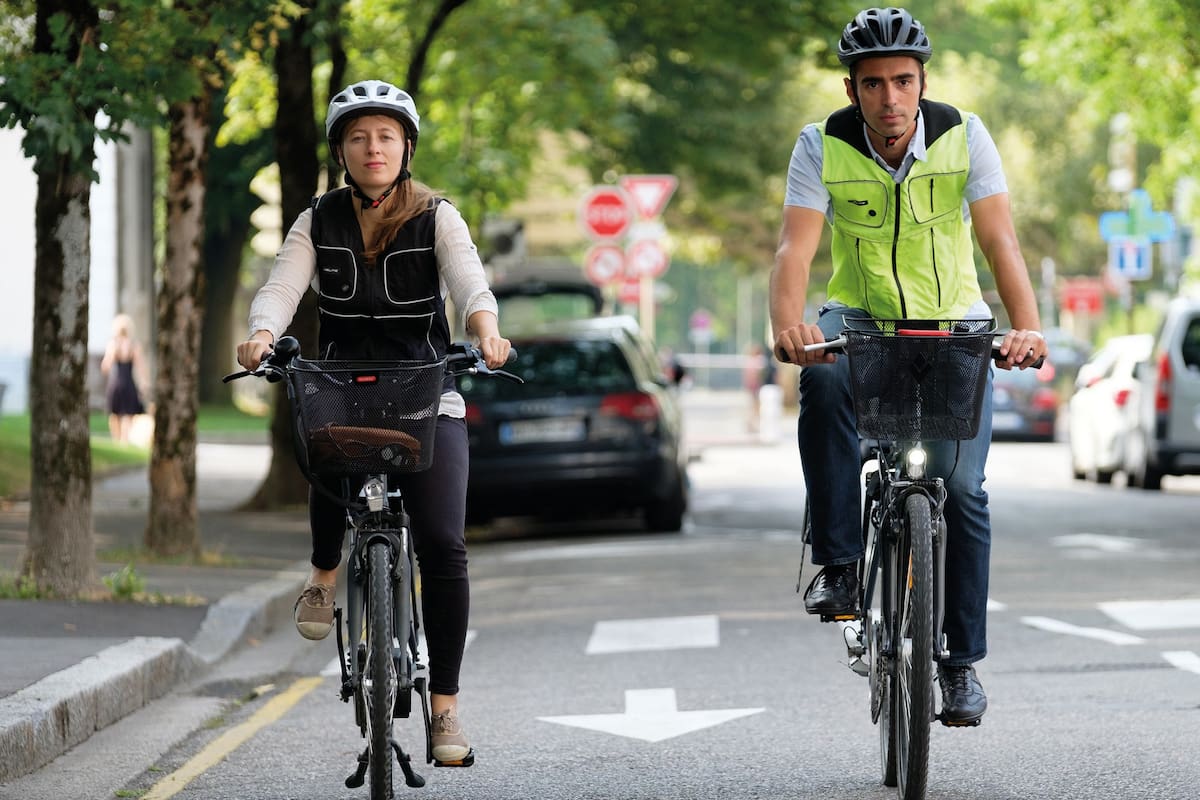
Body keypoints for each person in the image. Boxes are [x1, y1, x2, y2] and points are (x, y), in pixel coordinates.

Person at [769, 8, 1048, 726]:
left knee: (963, 486)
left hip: (953, 322)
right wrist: (789, 327)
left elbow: (1000, 241)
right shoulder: (821, 144)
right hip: (858, 318)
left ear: (922, 83)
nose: (889, 99)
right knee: (823, 377)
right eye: (872, 84)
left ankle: (959, 667)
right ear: (851, 88)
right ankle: (838, 567)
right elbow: (793, 250)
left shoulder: (964, 136)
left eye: (902, 81)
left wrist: (1028, 327)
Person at [235, 79, 511, 763]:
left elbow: (469, 280)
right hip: (343, 389)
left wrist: (487, 329)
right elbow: (282, 283)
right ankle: (325, 574)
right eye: (358, 137)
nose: (372, 147)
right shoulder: (317, 218)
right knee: (322, 448)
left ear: (406, 146)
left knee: (444, 543)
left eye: (385, 135)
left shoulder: (437, 215)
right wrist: (262, 333)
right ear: (342, 152)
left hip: (424, 392)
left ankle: (444, 709)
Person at [100, 313, 148, 444]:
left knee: (114, 414)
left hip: (115, 382)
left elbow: (105, 367)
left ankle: (117, 440)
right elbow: (141, 367)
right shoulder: (134, 345)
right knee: (128, 413)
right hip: (129, 382)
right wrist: (144, 383)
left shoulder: (113, 344)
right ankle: (124, 440)